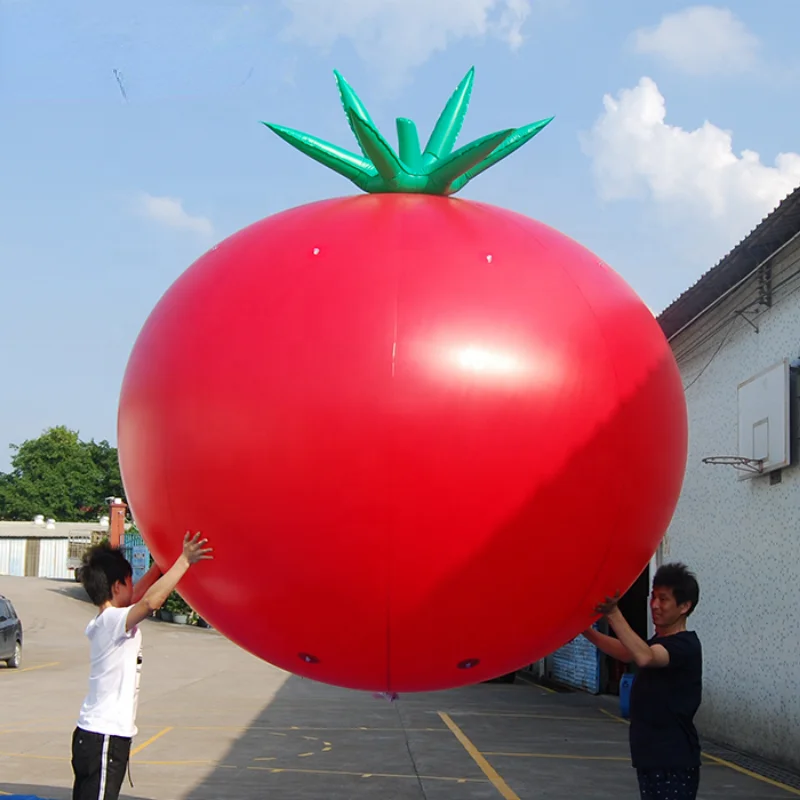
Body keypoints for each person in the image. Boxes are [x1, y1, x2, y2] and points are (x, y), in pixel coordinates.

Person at [72, 531, 212, 800]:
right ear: (116, 587)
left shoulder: (104, 621)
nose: (133, 585)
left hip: (93, 735)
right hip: (105, 736)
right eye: (128, 581)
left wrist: (161, 565)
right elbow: (149, 602)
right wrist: (184, 560)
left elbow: (138, 596)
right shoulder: (114, 621)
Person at [582, 562, 702, 800]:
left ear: (684, 606)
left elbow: (644, 657)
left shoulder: (685, 645)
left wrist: (614, 614)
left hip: (672, 761)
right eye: (653, 597)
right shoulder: (659, 640)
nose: (655, 605)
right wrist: (586, 631)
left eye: (664, 599)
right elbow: (628, 651)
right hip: (651, 757)